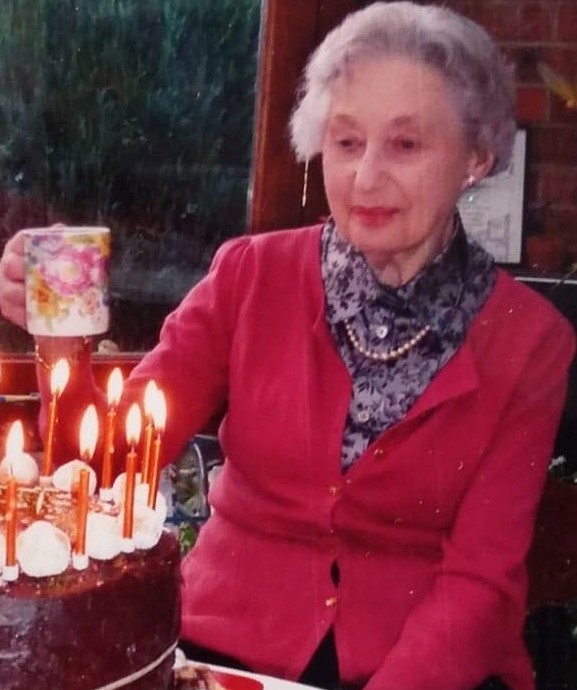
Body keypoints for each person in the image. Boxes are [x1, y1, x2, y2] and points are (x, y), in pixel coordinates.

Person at [0, 3, 574, 689]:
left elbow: (481, 581)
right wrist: (62, 338)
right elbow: (100, 468)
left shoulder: (530, 340)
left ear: (475, 157)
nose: (364, 178)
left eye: (404, 145)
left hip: (420, 671)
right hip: (217, 655)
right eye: (345, 142)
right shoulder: (249, 275)